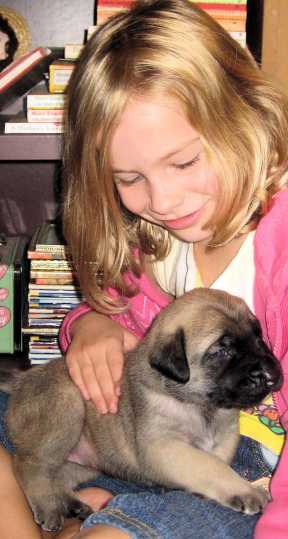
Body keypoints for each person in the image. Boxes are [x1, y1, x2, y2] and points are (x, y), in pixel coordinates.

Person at [0, 0, 288, 537]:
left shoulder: (281, 251)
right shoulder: (157, 241)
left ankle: (89, 514)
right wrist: (89, 325)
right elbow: (114, 312)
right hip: (134, 442)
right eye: (129, 178)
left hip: (248, 468)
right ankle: (68, 498)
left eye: (183, 161)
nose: (164, 198)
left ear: (245, 114)